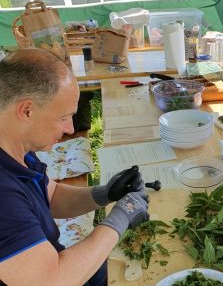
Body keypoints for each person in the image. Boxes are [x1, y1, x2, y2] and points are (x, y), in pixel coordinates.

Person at [0, 48, 150, 285]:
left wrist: (103, 194)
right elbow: (52, 281)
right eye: (63, 118)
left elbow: (51, 197)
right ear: (26, 110)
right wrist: (119, 220)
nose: (70, 128)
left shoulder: (16, 147)